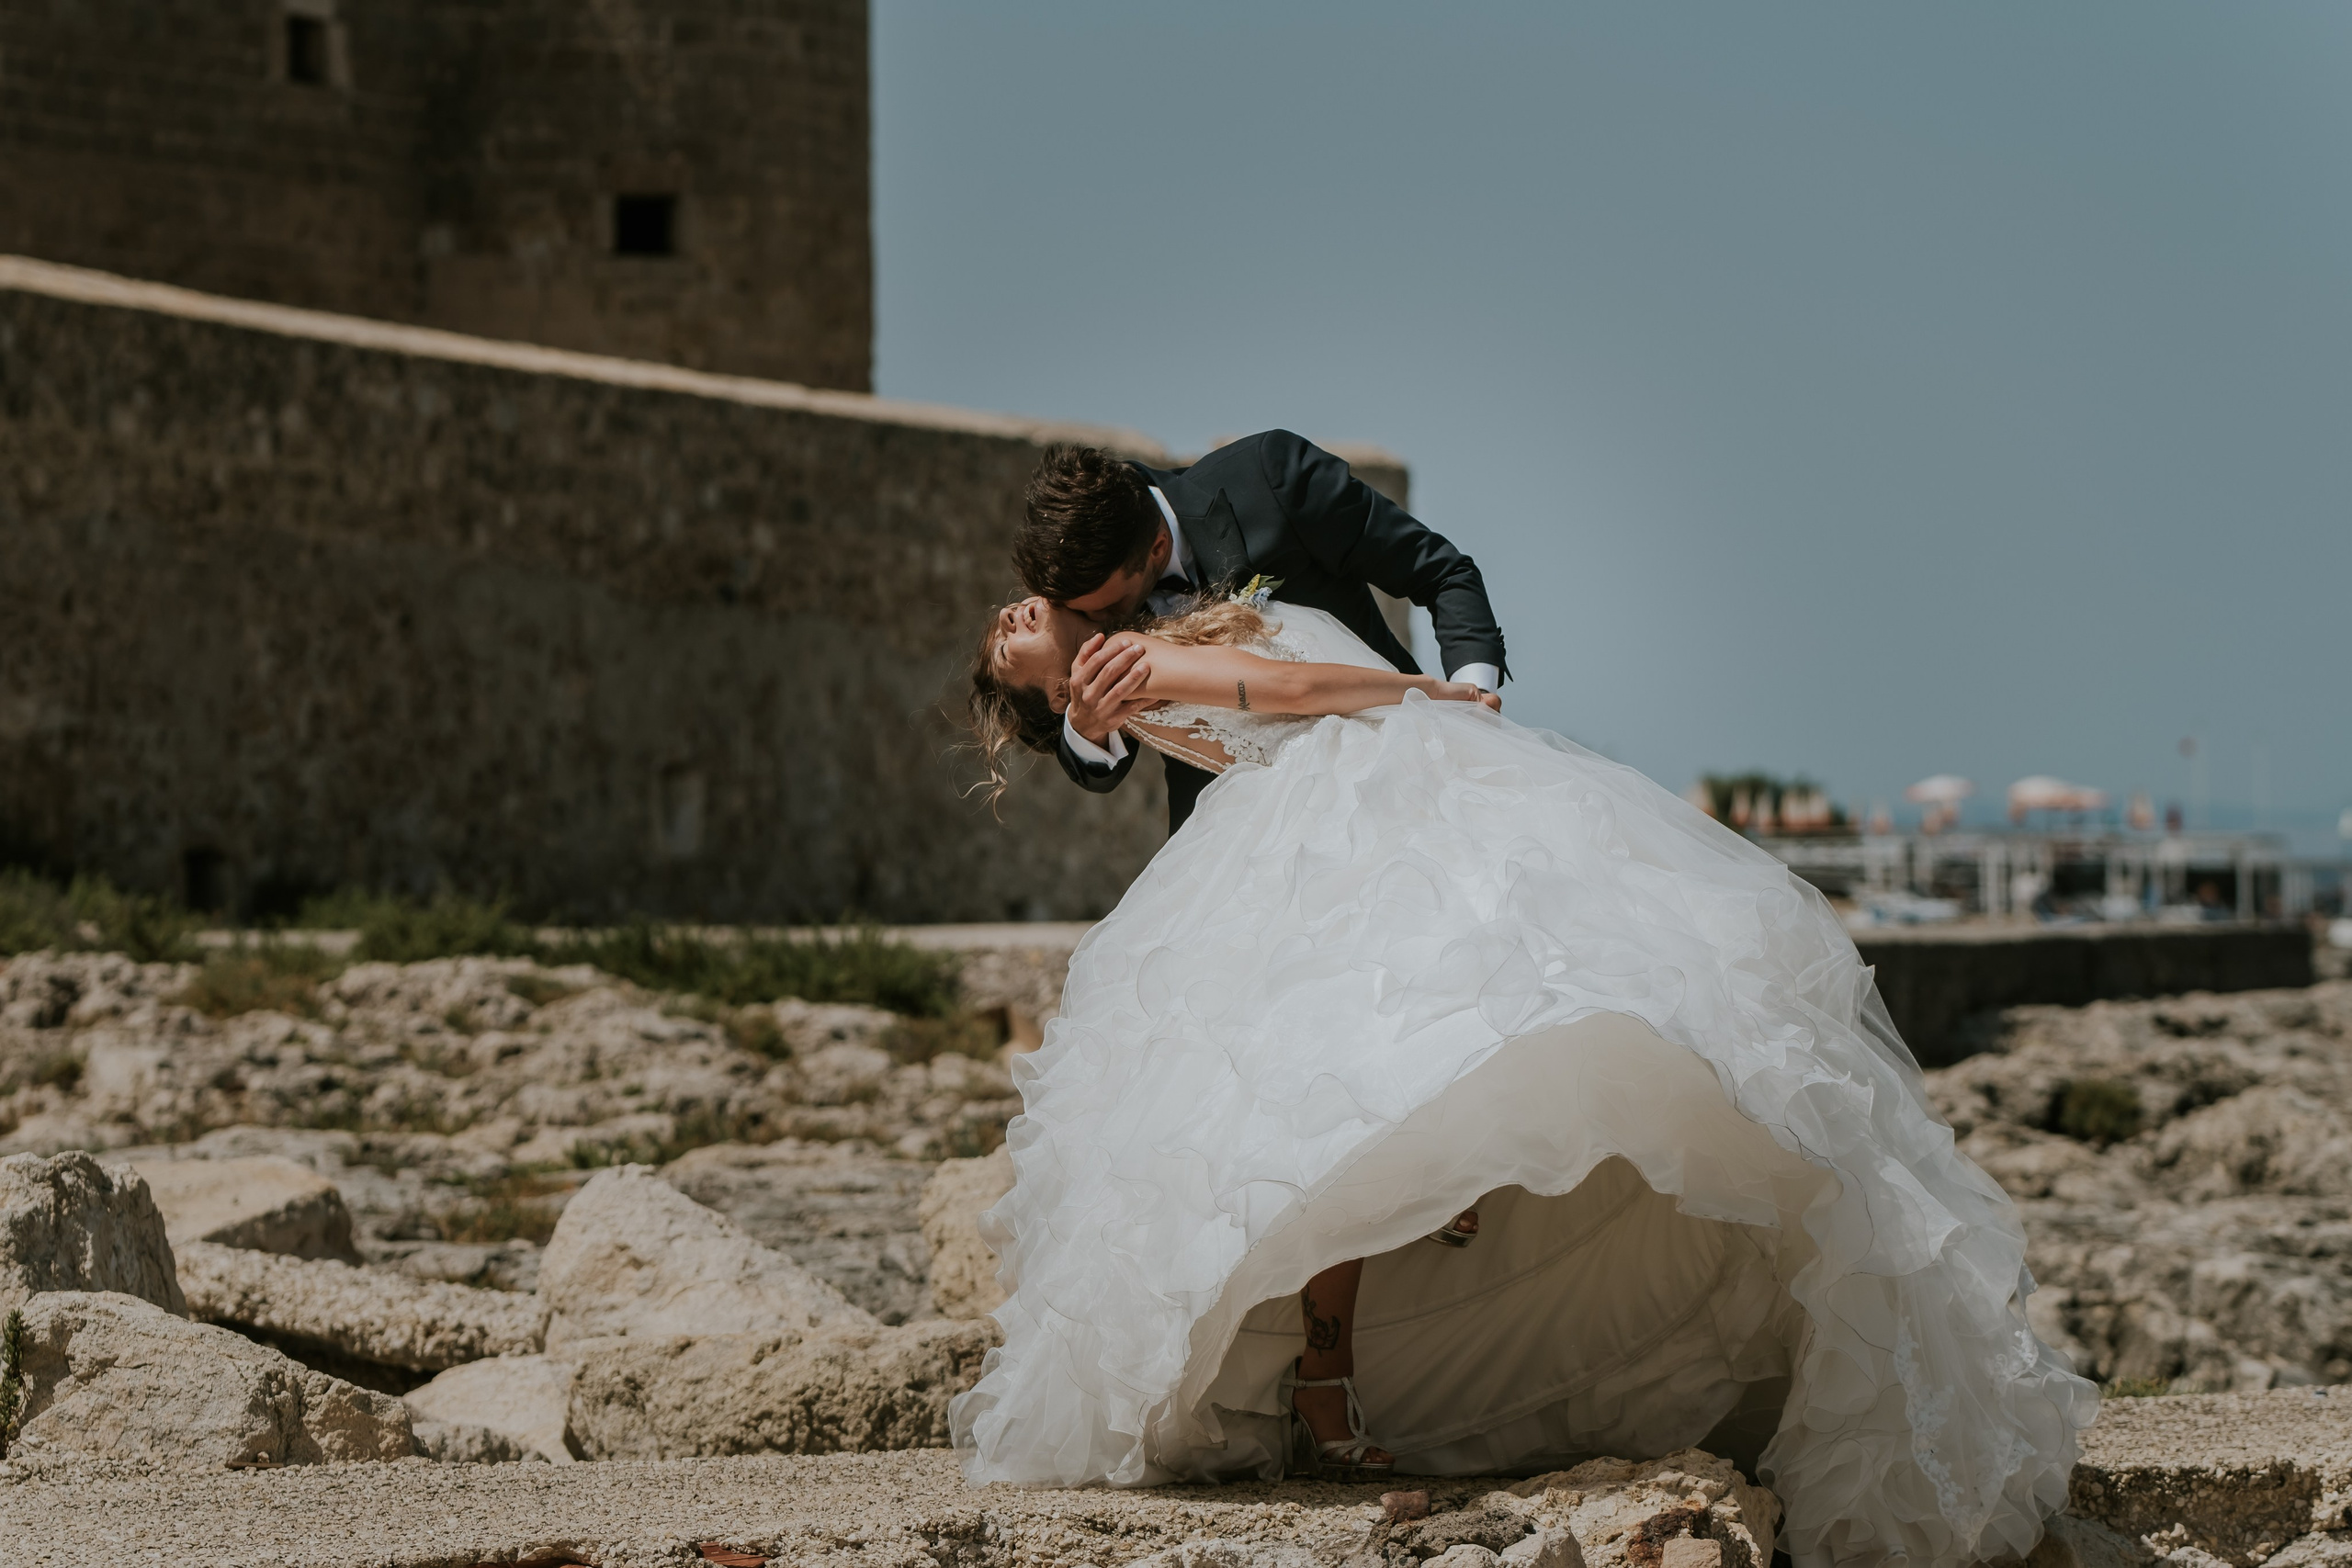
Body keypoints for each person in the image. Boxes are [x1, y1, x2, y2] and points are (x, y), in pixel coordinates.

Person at [955, 592, 2095, 1568]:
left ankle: (1359, 1327)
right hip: (1355, 790)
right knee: (1432, 1039)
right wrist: (1422, 697)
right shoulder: (1130, 664)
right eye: (1010, 646)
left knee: (1397, 1056)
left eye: (1012, 613)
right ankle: (1348, 1341)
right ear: (1055, 687)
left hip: (1338, 803)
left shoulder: (1133, 646)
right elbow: (1277, 691)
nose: (1009, 618)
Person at [1015, 434, 1507, 834]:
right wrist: (1084, 728)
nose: (1100, 627)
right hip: (1235, 851)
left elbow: (1440, 572)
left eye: (1112, 608)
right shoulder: (1082, 576)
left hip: (1396, 776)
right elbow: (1103, 754)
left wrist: (1473, 698)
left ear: (1157, 547)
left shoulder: (1271, 479)